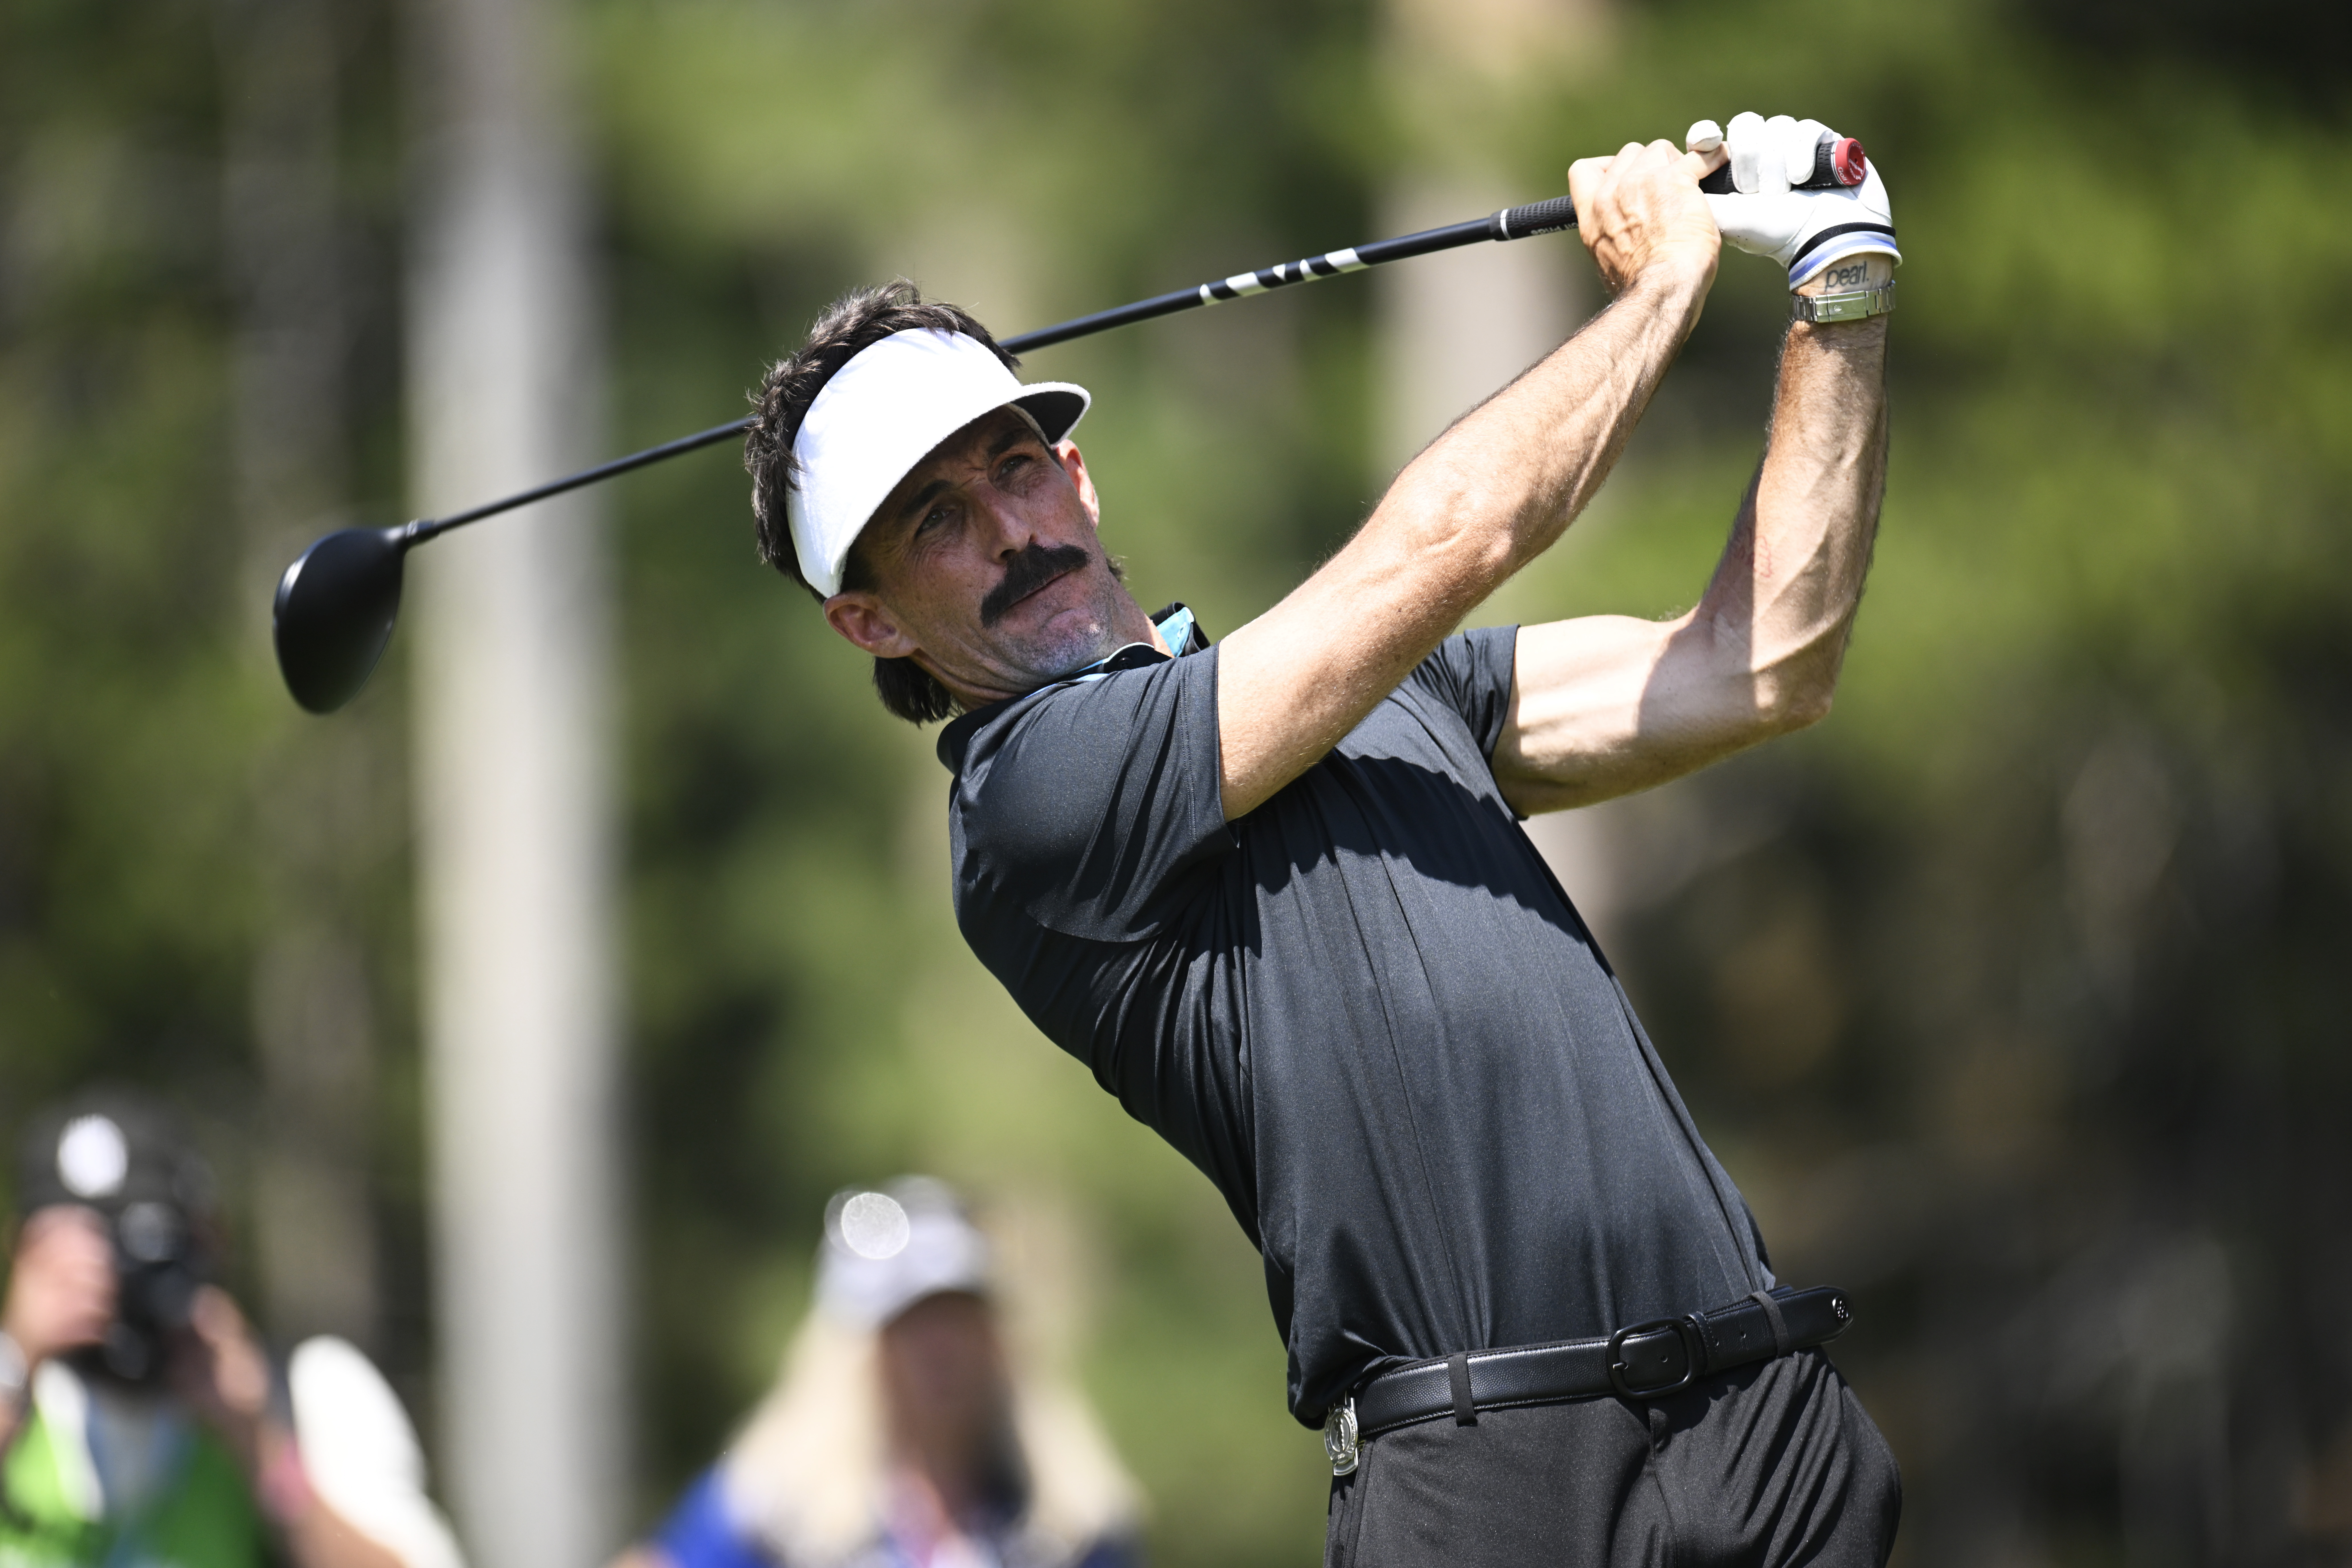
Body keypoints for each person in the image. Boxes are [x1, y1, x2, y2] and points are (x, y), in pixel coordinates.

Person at [741, 109, 1903, 1565]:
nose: (1006, 527)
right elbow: (1450, 542)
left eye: (1014, 465)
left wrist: (1835, 285)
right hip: (1491, 1479)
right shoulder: (1025, 800)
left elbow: (1759, 662)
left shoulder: (1382, 694)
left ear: (1077, 476)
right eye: (932, 519)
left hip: (1761, 1424)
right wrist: (1664, 280)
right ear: (867, 622)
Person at [0, 1093, 465, 1568]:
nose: (111, 1278)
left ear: (209, 1238)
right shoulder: (14, 1399)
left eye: (139, 1243)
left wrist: (259, 1443)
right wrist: (14, 1362)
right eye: (71, 1254)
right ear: (20, 1253)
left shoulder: (306, 1393)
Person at [615, 1177, 1141, 1568]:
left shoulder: (1069, 1525)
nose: (938, 1348)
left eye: (957, 1317)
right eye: (907, 1324)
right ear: (853, 1352)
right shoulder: (772, 1508)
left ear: (997, 1340)